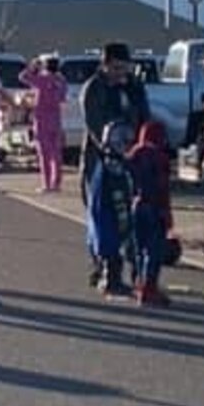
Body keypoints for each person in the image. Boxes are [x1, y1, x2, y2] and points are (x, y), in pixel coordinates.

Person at [80, 44, 150, 284]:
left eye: (125, 67)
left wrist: (141, 147)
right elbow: (95, 125)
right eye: (116, 67)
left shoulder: (134, 87)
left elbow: (145, 118)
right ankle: (105, 266)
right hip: (100, 160)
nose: (121, 72)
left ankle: (138, 270)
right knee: (100, 214)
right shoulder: (94, 88)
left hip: (131, 159)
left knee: (132, 215)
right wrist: (110, 147)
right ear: (105, 64)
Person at [85, 119, 136, 297]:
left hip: (113, 210)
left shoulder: (118, 165)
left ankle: (110, 278)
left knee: (116, 246)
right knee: (110, 249)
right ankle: (110, 281)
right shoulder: (107, 166)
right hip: (106, 213)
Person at [127, 119, 175, 307]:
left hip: (137, 205)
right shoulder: (159, 157)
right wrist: (167, 213)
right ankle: (150, 288)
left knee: (139, 249)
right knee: (153, 251)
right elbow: (162, 187)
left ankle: (140, 283)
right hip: (154, 206)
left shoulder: (133, 155)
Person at [22, 53, 68, 194]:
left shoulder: (42, 79)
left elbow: (23, 77)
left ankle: (47, 183)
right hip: (56, 118)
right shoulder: (61, 81)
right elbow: (62, 98)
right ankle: (56, 183)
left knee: (44, 153)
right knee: (56, 153)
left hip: (42, 118)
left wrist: (33, 65)